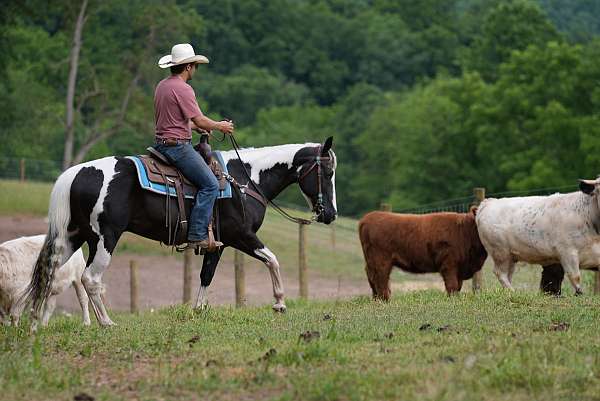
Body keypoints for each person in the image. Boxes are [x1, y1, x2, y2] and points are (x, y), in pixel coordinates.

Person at [153, 43, 234, 251]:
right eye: (195, 65)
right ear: (188, 67)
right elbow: (200, 119)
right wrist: (220, 126)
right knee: (211, 185)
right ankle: (197, 235)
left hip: (161, 144)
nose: (195, 69)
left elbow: (175, 122)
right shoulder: (183, 88)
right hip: (178, 148)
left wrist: (193, 128)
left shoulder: (162, 86)